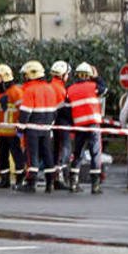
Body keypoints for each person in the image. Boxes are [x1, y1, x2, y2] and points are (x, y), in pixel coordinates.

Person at [66, 62, 108, 194]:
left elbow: (67, 107)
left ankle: (73, 183)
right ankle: (95, 186)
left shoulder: (70, 89)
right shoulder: (93, 86)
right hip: (93, 125)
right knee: (95, 153)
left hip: (79, 126)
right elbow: (105, 89)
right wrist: (96, 77)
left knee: (77, 154)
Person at [18, 60, 59, 193]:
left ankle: (31, 183)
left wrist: (20, 128)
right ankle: (50, 183)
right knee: (48, 155)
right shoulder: (50, 88)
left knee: (32, 156)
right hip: (47, 128)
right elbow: (54, 111)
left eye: (25, 75)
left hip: (33, 128)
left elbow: (25, 112)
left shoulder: (30, 90)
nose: (24, 77)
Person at [0, 63, 26, 189]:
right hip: (1, 131)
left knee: (17, 155)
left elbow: (22, 110)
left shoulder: (16, 92)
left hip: (13, 131)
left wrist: (21, 129)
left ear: (5, 77)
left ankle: (20, 179)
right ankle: (4, 179)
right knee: (2, 155)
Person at [49, 60, 72, 189]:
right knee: (65, 149)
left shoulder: (50, 85)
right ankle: (61, 177)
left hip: (51, 125)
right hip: (61, 124)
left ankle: (54, 178)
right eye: (67, 74)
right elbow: (64, 110)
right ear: (63, 75)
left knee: (55, 151)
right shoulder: (61, 89)